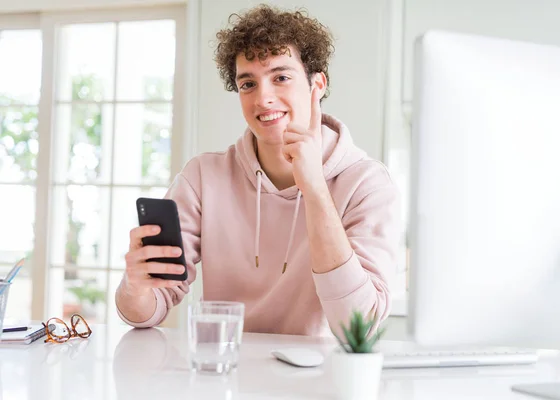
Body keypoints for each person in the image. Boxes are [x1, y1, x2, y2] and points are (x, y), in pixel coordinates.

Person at [115, 4, 402, 337]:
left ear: (317, 84)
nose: (263, 98)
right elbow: (146, 312)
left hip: (319, 382)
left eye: (280, 77)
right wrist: (135, 287)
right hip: (225, 375)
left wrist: (314, 189)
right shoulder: (203, 177)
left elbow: (360, 328)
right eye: (248, 84)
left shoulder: (367, 184)